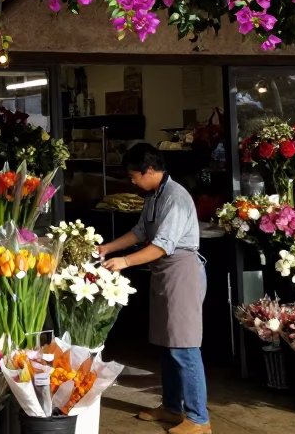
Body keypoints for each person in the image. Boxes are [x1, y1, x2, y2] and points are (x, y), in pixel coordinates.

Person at [98, 143, 209, 434]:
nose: (132, 181)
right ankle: (172, 408)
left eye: (134, 175)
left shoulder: (176, 198)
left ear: (150, 170)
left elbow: (161, 246)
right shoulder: (153, 195)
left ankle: (199, 420)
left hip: (182, 272)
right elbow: (139, 232)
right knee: (166, 345)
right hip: (164, 274)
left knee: (184, 346)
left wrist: (124, 261)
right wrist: (106, 248)